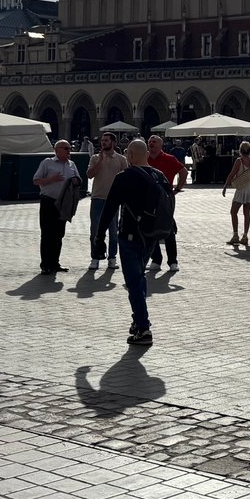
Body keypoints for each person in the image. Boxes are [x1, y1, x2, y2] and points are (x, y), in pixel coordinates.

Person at [93, 138, 169, 348]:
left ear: (131, 156)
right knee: (139, 278)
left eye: (128, 154)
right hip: (151, 236)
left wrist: (99, 237)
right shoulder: (159, 176)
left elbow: (109, 208)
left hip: (130, 236)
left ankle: (143, 328)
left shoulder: (125, 177)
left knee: (134, 282)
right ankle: (138, 321)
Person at [33, 140, 81, 274]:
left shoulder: (71, 164)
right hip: (49, 202)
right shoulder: (47, 163)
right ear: (57, 150)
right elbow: (36, 180)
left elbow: (78, 180)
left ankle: (55, 263)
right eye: (66, 148)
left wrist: (76, 181)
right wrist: (51, 179)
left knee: (59, 234)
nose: (69, 151)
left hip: (64, 203)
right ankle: (45, 265)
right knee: (47, 233)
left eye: (70, 148)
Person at [144, 135, 187, 273]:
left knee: (168, 229)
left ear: (160, 145)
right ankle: (156, 259)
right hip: (148, 198)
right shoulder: (144, 158)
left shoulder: (169, 158)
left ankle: (173, 261)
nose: (151, 143)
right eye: (150, 141)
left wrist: (177, 189)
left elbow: (183, 172)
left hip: (165, 199)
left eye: (154, 142)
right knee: (149, 228)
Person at [86, 132, 129, 271]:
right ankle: (95, 257)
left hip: (114, 200)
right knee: (95, 230)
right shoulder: (95, 158)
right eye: (102, 140)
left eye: (106, 140)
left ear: (113, 142)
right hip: (97, 198)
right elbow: (89, 175)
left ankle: (112, 258)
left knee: (113, 231)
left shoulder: (121, 159)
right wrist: (100, 160)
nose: (103, 142)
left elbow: (126, 179)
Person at [223, 140, 250, 246]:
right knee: (247, 213)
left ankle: (235, 235)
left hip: (242, 188)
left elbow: (232, 174)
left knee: (233, 211)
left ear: (240, 150)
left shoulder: (239, 160)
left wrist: (225, 186)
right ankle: (245, 236)